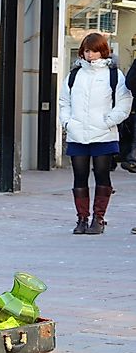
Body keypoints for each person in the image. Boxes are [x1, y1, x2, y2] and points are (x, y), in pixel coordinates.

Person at [58, 33, 132, 235]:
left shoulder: (114, 75)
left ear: (103, 50)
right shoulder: (74, 75)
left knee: (102, 174)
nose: (89, 54)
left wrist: (108, 121)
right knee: (79, 177)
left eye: (94, 50)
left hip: (104, 134)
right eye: (86, 50)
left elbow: (124, 102)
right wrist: (67, 123)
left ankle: (98, 218)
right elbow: (64, 102)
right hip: (77, 133)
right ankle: (82, 219)